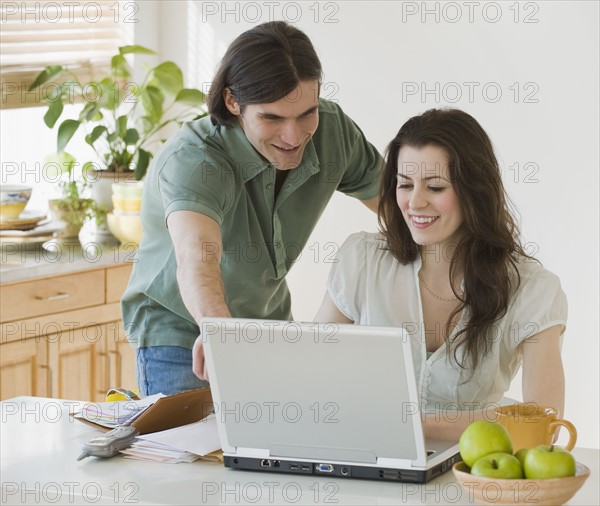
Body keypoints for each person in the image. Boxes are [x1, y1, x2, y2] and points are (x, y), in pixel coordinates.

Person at [121, 21, 383, 395]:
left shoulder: (333, 132)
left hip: (268, 328)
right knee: (194, 454)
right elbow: (197, 254)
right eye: (272, 118)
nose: (293, 137)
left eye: (306, 113)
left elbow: (400, 208)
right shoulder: (194, 160)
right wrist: (219, 333)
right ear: (233, 102)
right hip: (184, 336)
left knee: (280, 448)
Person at [314, 108, 567, 440]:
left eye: (435, 187)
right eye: (404, 185)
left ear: (474, 192)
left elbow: (541, 423)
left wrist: (416, 428)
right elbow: (313, 375)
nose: (415, 203)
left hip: (474, 475)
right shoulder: (362, 259)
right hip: (369, 461)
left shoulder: (531, 288)